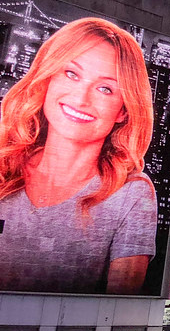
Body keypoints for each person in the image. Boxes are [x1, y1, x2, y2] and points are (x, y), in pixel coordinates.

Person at [0, 18, 158, 295]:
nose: (81, 98)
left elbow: (119, 307)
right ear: (48, 78)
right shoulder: (4, 164)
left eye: (105, 89)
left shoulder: (132, 193)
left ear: (123, 110)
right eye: (71, 74)